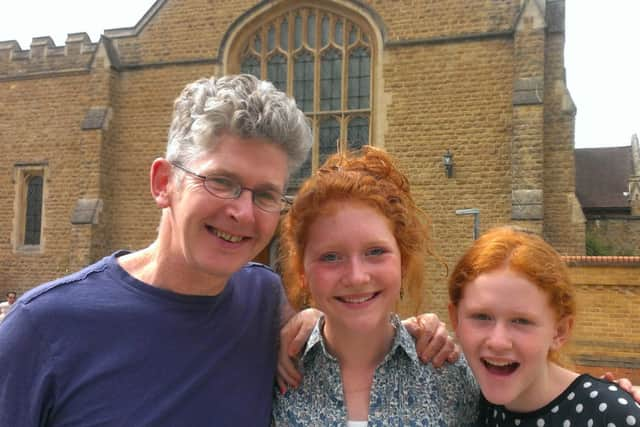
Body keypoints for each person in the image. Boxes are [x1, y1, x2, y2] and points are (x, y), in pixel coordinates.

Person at [0, 74, 453, 426]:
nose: (242, 211)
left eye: (265, 195)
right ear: (163, 183)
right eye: (221, 182)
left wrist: (399, 327)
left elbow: (340, 330)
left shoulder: (262, 301)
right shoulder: (43, 328)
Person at [272, 146, 479, 425]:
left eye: (375, 252)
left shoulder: (450, 376)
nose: (357, 277)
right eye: (331, 257)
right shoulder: (272, 375)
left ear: (403, 262)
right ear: (302, 273)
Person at [448, 226, 640, 426]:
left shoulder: (610, 416)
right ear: (456, 320)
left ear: (559, 331)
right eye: (481, 316)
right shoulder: (458, 399)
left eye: (521, 321)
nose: (498, 342)